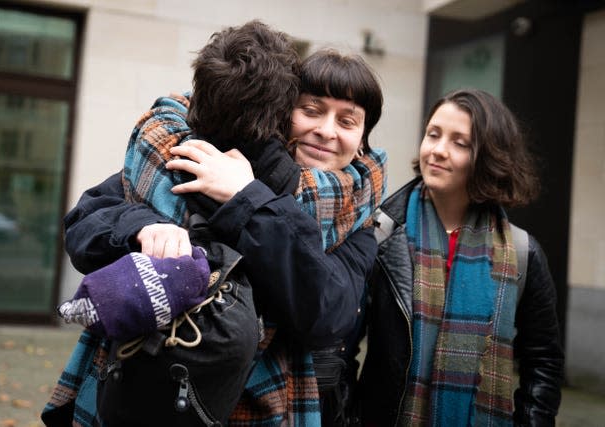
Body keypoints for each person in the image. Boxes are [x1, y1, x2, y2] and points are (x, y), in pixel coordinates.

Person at [43, 21, 386, 427]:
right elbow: (84, 223)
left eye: (347, 121)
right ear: (281, 113)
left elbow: (324, 316)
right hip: (140, 391)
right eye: (311, 110)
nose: (326, 131)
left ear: (363, 138)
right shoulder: (187, 155)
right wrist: (141, 225)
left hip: (262, 409)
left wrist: (247, 198)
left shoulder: (358, 217)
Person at [358, 88, 564, 426]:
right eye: (433, 135)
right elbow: (340, 347)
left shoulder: (523, 253)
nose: (438, 150)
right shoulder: (382, 236)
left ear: (489, 157)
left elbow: (542, 362)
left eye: (460, 142)